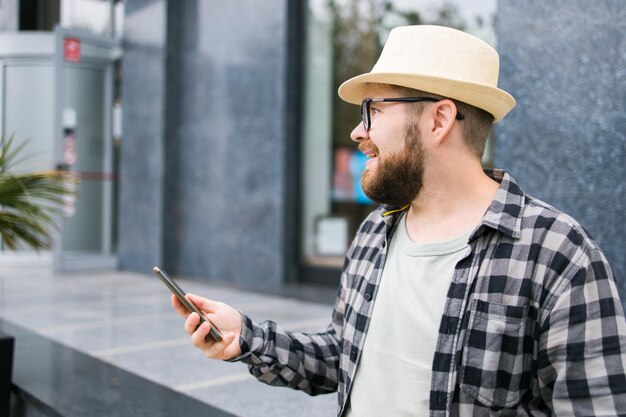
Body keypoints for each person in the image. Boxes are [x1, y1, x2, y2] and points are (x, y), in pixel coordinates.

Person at [172, 25, 626, 416]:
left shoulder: (558, 255)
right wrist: (246, 337)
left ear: (439, 119)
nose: (358, 132)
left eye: (374, 111)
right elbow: (343, 357)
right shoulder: (375, 231)